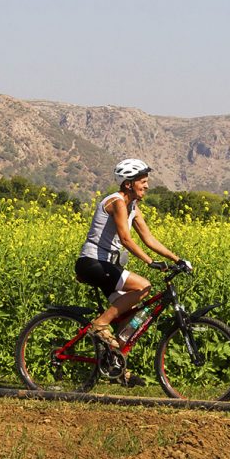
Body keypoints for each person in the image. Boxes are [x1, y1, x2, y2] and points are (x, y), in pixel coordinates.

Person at [74, 159, 187, 385]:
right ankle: (99, 325)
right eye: (142, 182)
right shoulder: (117, 202)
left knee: (130, 317)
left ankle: (115, 367)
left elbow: (148, 237)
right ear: (128, 184)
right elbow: (126, 239)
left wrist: (177, 259)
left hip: (107, 267)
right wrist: (149, 262)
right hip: (93, 263)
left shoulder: (133, 207)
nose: (146, 186)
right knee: (143, 286)